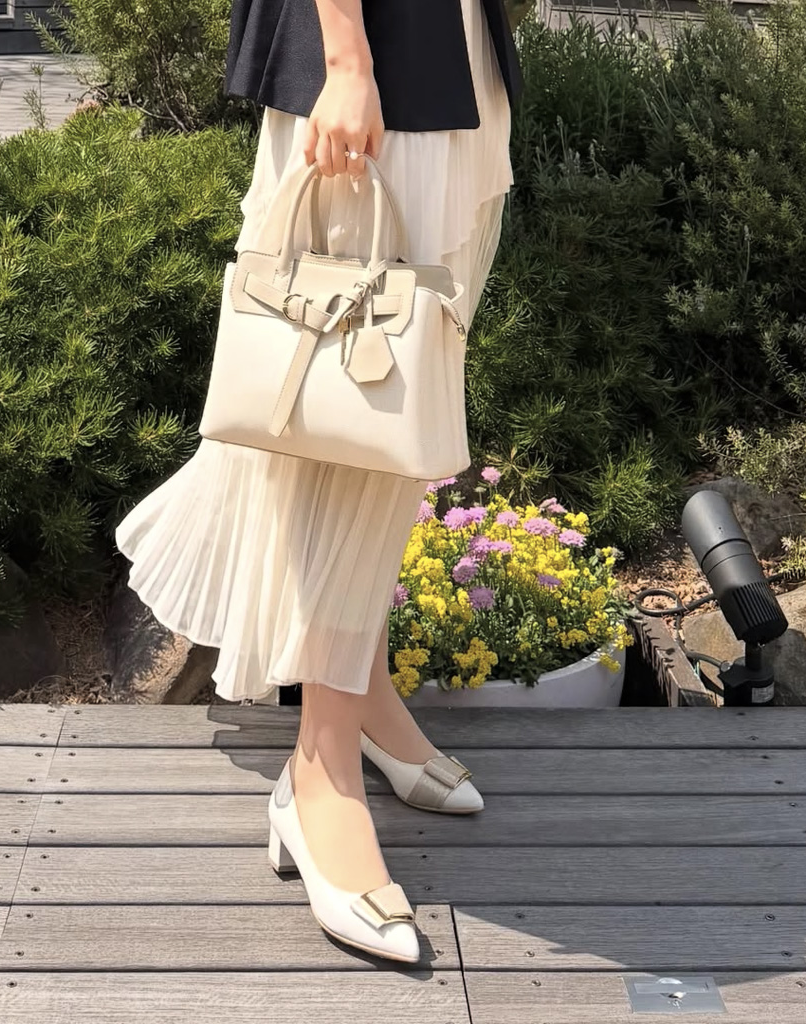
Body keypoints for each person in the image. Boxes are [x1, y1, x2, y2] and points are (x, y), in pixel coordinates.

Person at [116, 0, 522, 963]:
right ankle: (320, 774)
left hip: (451, 47)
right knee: (349, 397)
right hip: (371, 56)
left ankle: (363, 695)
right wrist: (346, 61)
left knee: (395, 391)